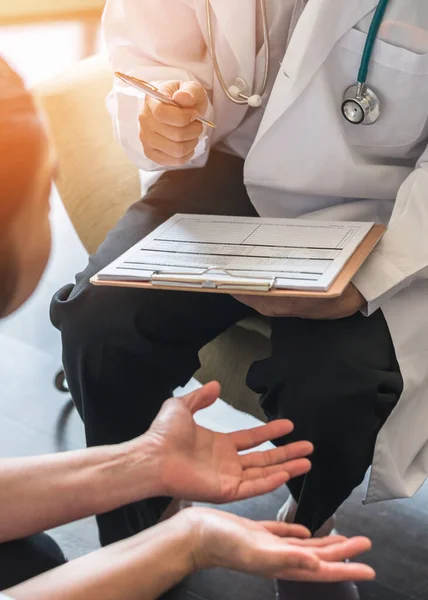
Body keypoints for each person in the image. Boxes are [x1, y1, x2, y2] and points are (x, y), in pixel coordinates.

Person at [50, 1, 428, 598]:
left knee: (336, 388)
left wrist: (377, 272)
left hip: (390, 199)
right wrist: (162, 114)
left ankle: (304, 527)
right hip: (231, 160)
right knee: (99, 323)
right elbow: (144, 51)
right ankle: (142, 524)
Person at [0, 56, 376, 599]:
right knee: (33, 564)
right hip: (232, 161)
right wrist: (188, 542)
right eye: (45, 183)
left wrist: (140, 464)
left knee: (32, 557)